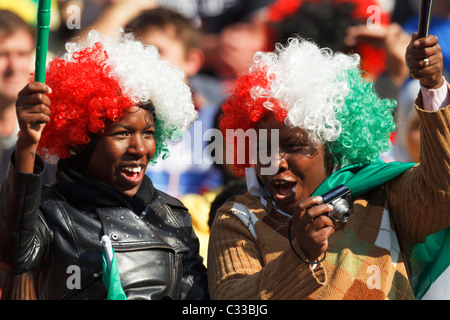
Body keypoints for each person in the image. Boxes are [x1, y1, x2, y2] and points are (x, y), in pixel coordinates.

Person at [207, 32, 450, 299]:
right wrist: (300, 257)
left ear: (333, 147)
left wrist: (433, 86)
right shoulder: (239, 217)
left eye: (295, 146)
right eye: (264, 147)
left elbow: (442, 194)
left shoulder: (383, 195)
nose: (275, 162)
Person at [0, 30, 208, 300]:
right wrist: (28, 142)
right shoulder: (51, 213)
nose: (140, 148)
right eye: (122, 134)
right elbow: (12, 255)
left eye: (148, 133)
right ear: (82, 140)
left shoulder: (173, 215)